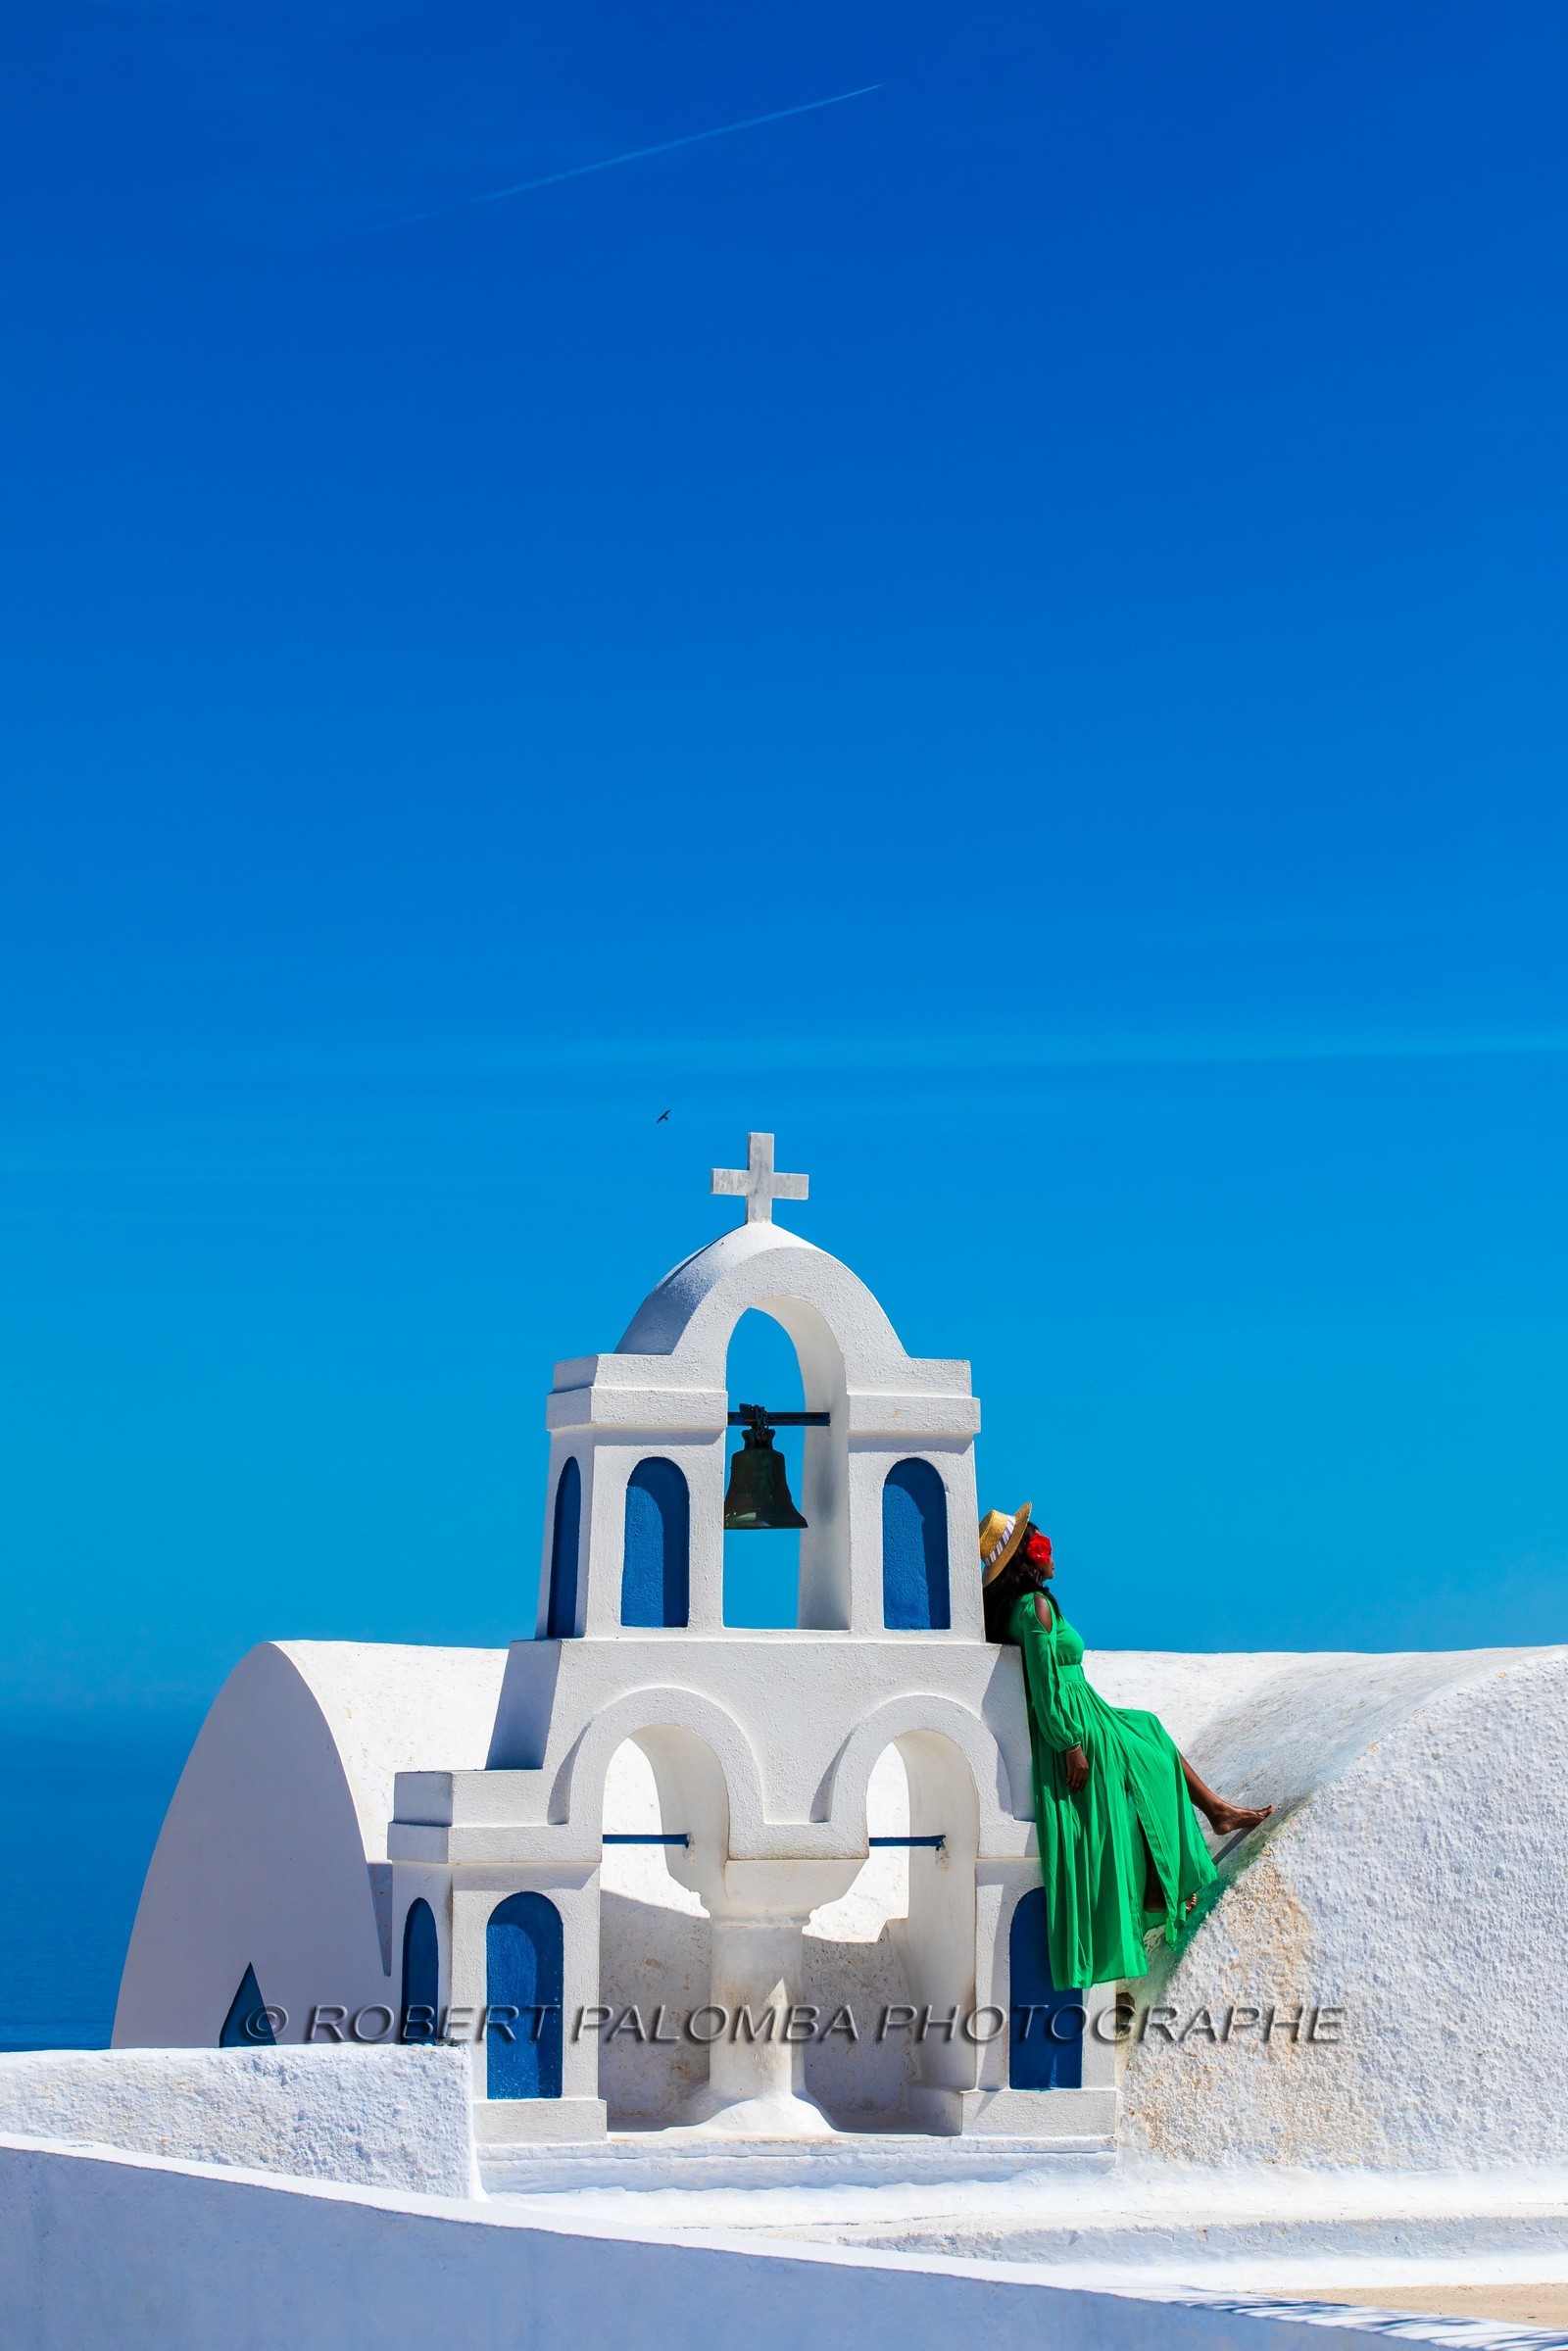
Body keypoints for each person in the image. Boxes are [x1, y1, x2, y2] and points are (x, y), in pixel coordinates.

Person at [980, 1502, 1272, 1990]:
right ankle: (1179, 1865)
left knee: (1151, 1732)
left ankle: (1215, 1813)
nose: (1052, 1551)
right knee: (1147, 1762)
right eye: (1041, 1544)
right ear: (1027, 1558)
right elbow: (1044, 1684)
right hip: (1076, 1723)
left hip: (1086, 1710)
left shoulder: (1030, 1607)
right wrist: (1070, 1744)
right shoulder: (1035, 1609)